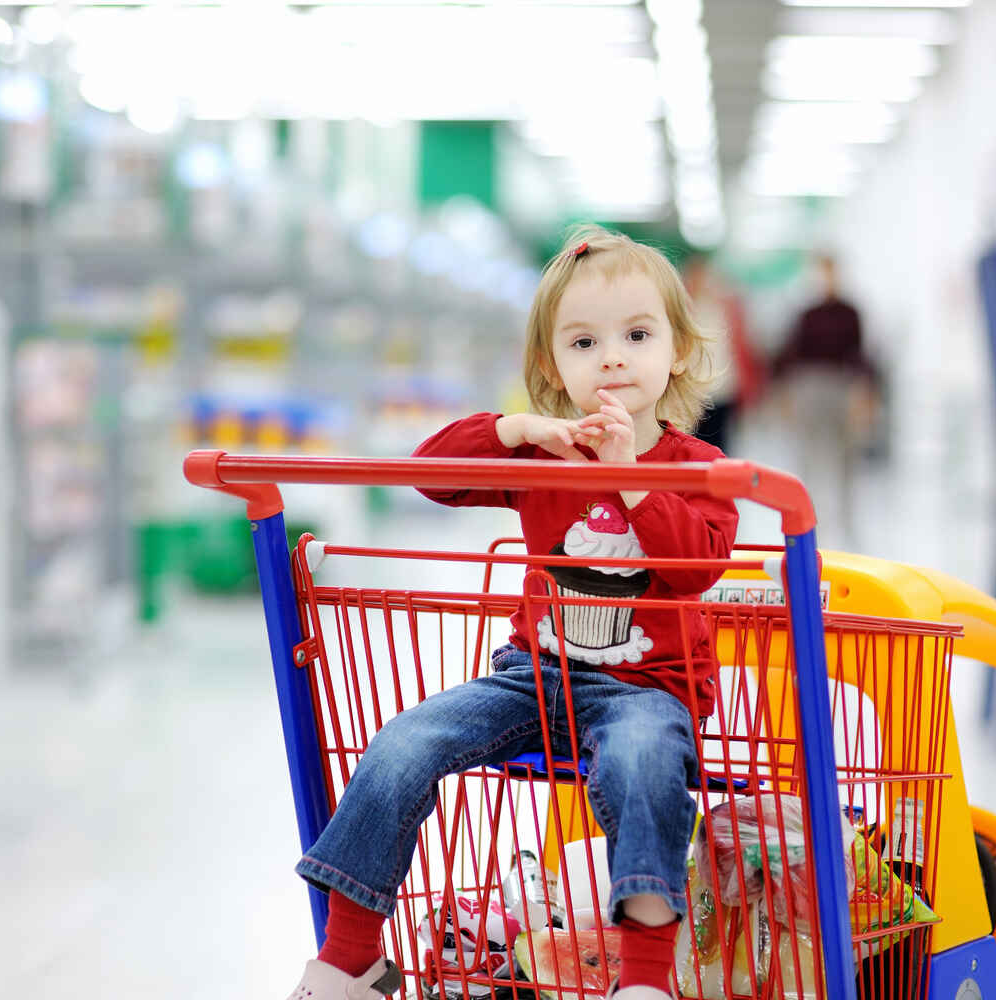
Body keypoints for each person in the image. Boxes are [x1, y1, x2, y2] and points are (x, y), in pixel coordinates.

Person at [284, 226, 740, 1000]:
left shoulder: (702, 468)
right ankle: (350, 953)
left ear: (679, 353)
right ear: (550, 366)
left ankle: (646, 979)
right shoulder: (540, 456)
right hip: (532, 677)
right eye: (584, 341)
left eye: (637, 334)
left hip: (648, 690)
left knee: (645, 766)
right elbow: (429, 472)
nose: (613, 357)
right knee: (405, 741)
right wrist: (518, 430)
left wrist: (629, 475)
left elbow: (698, 565)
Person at [769, 251, 880, 548]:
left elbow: (861, 356)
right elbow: (789, 356)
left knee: (845, 454)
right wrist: (785, 396)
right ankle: (808, 514)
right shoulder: (807, 314)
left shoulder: (850, 313)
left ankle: (846, 517)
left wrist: (865, 394)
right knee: (809, 452)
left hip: (841, 387)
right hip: (810, 387)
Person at [683, 254, 763, 455]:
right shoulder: (685, 311)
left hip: (724, 388)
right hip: (694, 390)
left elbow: (741, 348)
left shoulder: (727, 310)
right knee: (694, 441)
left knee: (721, 442)